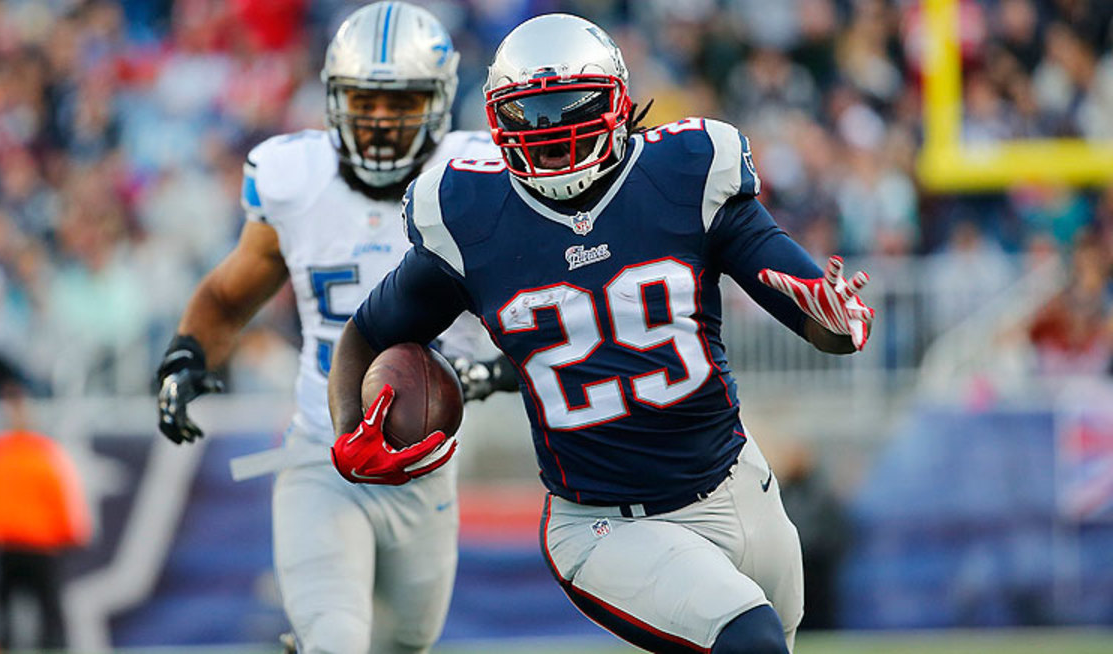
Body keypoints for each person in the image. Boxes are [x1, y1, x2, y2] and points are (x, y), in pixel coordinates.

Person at [326, 14, 876, 654]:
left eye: (570, 107)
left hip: (737, 485)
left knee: (765, 638)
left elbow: (816, 317)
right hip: (606, 525)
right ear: (498, 121)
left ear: (616, 102)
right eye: (528, 114)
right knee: (748, 641)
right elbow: (363, 336)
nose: (551, 131)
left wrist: (837, 324)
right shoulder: (469, 221)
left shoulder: (686, 174)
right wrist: (348, 434)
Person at [153, 4, 501, 653]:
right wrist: (185, 355)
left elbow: (540, 307)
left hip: (429, 468)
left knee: (405, 645)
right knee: (337, 641)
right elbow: (232, 295)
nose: (379, 121)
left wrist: (493, 369)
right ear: (335, 97)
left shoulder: (478, 180)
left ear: (440, 102)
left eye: (400, 103)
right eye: (364, 101)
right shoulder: (295, 178)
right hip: (322, 453)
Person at [0, 382, 91, 651]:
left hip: (40, 544)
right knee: (4, 613)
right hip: (7, 543)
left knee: (49, 613)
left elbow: (61, 494)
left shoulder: (42, 452)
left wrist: (69, 532)